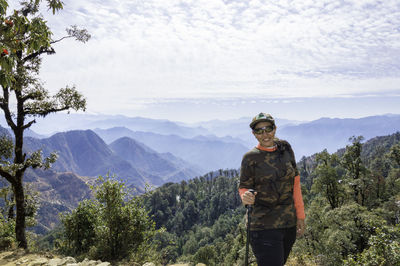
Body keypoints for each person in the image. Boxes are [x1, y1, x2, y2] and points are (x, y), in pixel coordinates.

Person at [239, 112, 305, 266]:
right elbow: (243, 187)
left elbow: (295, 183)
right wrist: (245, 197)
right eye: (259, 131)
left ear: (275, 129)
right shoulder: (250, 158)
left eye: (268, 128)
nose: (265, 134)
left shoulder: (286, 149)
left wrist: (300, 216)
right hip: (263, 226)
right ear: (253, 134)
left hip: (288, 224)